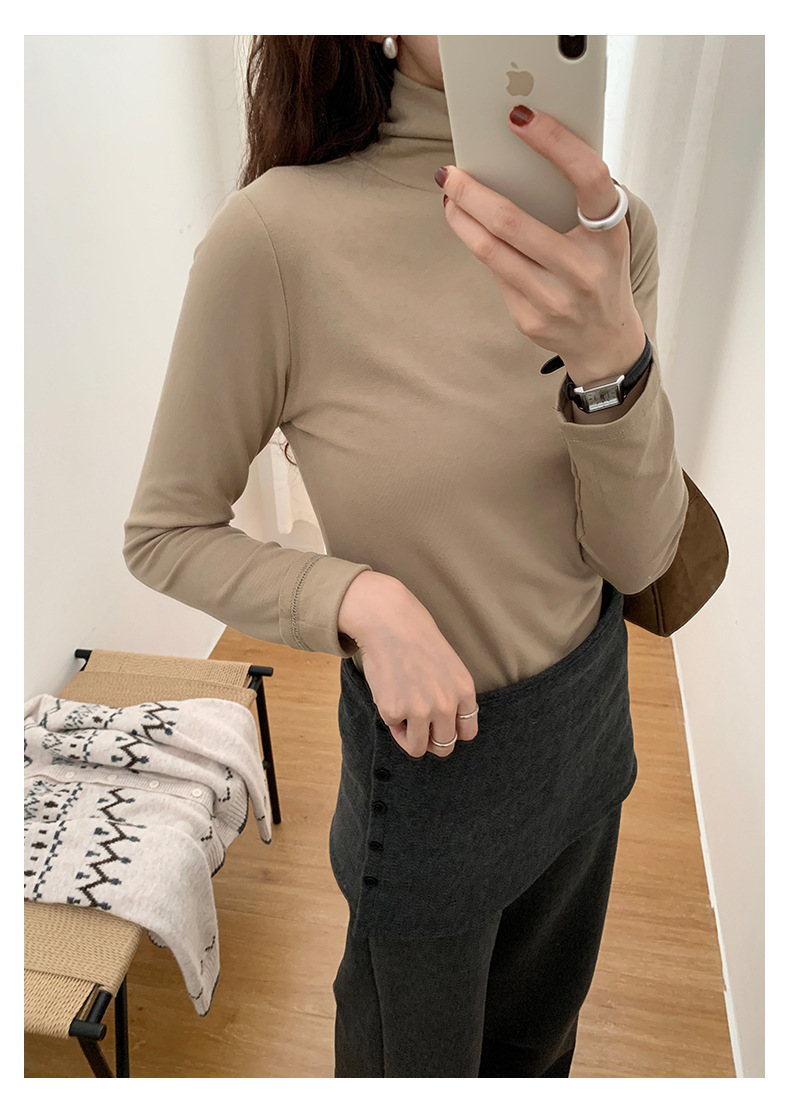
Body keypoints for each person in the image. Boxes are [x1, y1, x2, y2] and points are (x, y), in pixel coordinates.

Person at [123, 35, 689, 1077]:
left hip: (586, 737)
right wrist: (357, 599)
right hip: (434, 774)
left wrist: (611, 356)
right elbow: (164, 532)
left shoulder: (615, 233)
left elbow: (638, 552)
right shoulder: (276, 237)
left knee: (537, 1054)